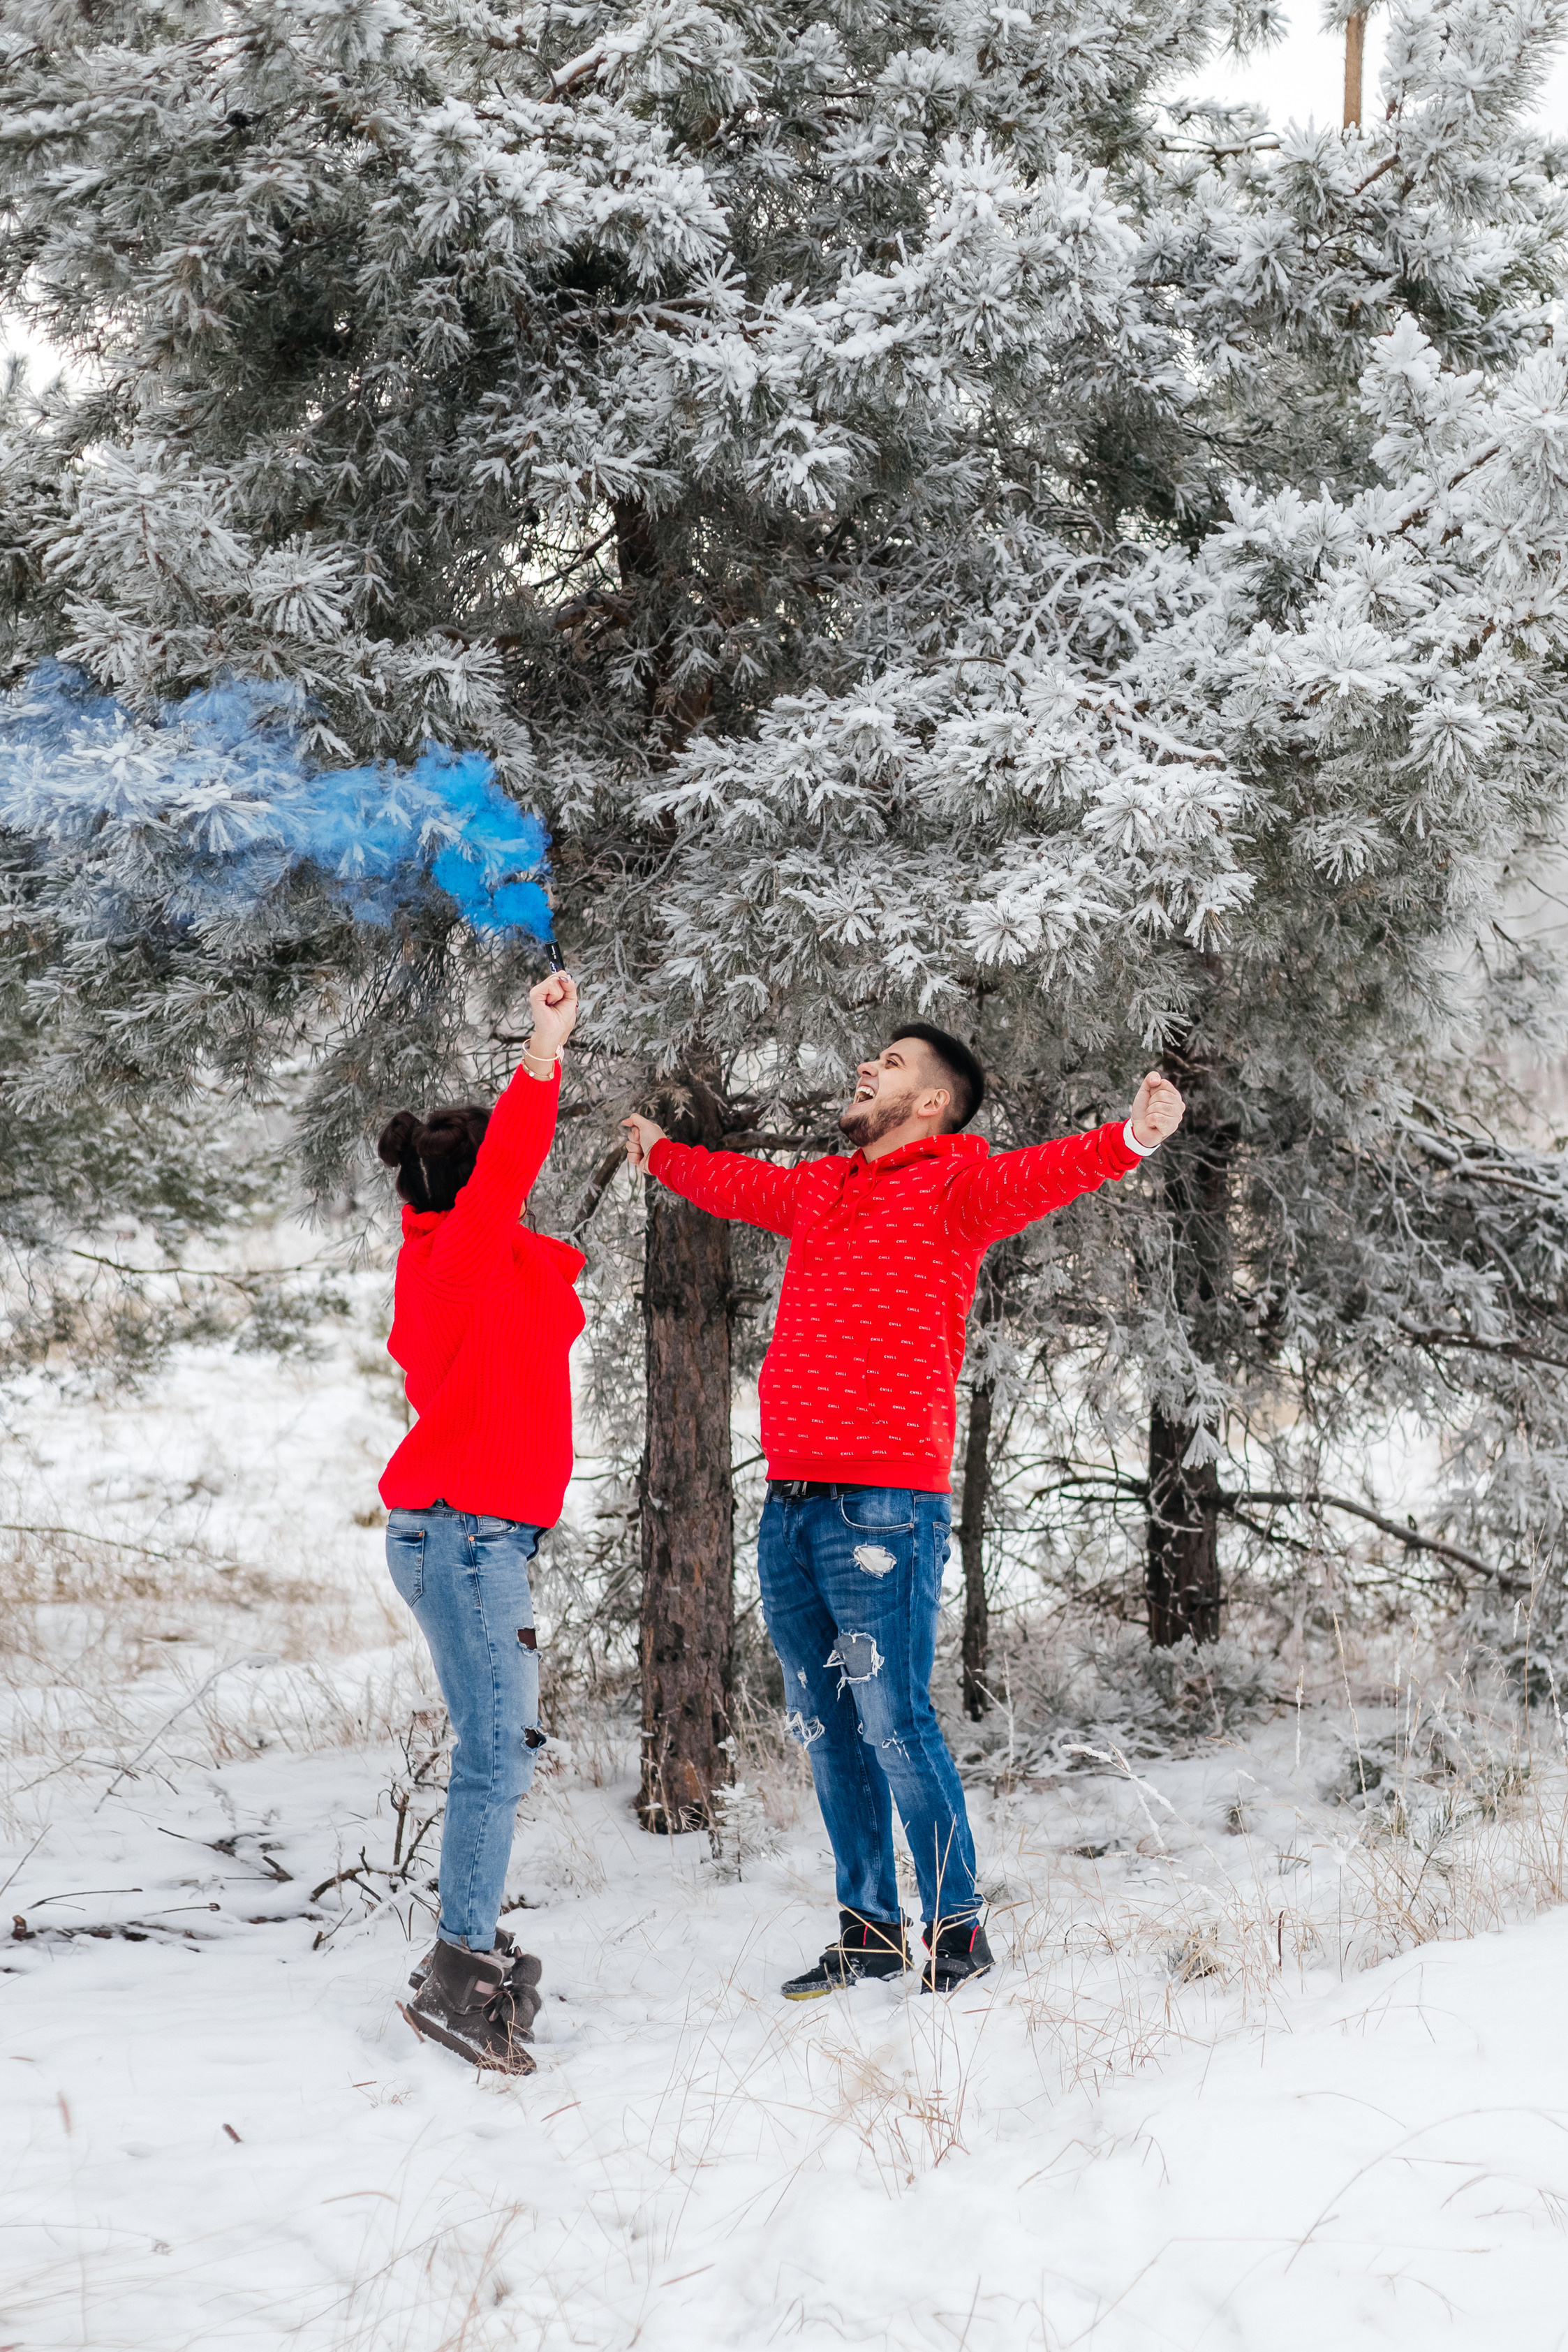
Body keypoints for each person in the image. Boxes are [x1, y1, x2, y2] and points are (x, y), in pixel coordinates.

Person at [623, 1026, 1185, 1999]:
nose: (865, 1068)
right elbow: (733, 1184)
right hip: (790, 1502)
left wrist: (1130, 1138)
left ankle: (956, 1934)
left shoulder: (955, 1187)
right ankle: (869, 1930)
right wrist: (660, 1152)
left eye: (888, 1063)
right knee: (825, 1726)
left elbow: (1048, 1174)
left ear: (931, 1101)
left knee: (894, 1722)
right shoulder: (818, 1189)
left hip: (883, 1513)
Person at [376, 969, 582, 2073]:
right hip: (463, 1535)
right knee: (498, 1754)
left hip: (464, 1534)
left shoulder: (471, 1266)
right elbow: (510, 1165)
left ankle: (463, 1950)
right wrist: (543, 1048)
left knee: (491, 1751)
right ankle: (461, 1973)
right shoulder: (457, 1257)